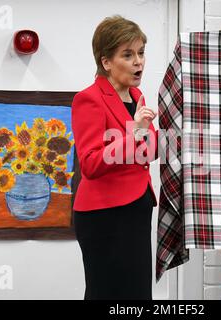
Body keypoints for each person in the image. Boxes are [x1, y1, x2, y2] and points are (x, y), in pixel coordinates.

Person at [71, 15, 159, 300]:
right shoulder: (89, 99)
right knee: (107, 293)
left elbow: (151, 150)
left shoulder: (137, 96)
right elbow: (91, 163)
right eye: (128, 54)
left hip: (136, 208)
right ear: (106, 61)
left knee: (137, 293)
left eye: (141, 53)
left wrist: (145, 134)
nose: (139, 62)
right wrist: (134, 135)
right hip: (104, 216)